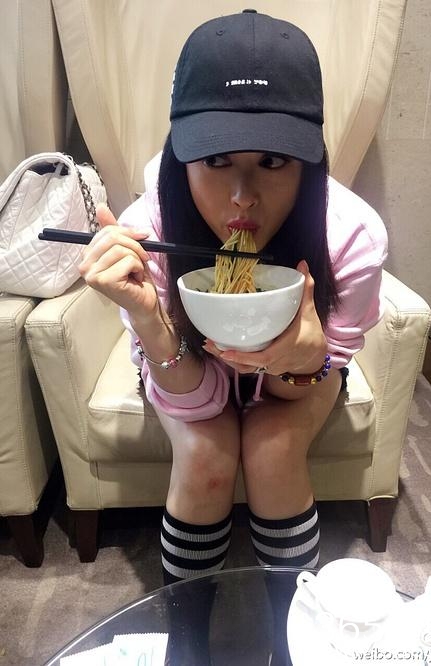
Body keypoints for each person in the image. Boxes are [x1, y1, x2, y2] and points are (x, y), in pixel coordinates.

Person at [79, 10, 388, 587]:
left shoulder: (351, 238)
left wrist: (299, 360)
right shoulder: (148, 230)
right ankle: (187, 628)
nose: (242, 198)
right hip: (185, 366)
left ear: (309, 163)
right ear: (182, 157)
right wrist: (149, 318)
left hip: (308, 372)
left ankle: (290, 621)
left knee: (273, 446)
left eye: (273, 161)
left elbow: (312, 374)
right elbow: (196, 399)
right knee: (204, 449)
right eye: (217, 160)